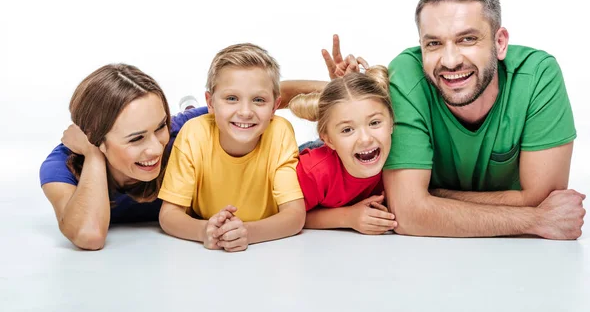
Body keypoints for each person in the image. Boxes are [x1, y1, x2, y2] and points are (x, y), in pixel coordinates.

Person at [39, 59, 337, 250]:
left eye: (159, 128)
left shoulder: (185, 130)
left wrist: (344, 91)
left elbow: (258, 97)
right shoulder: (60, 169)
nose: (156, 148)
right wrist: (93, 156)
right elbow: (89, 235)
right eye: (135, 138)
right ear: (96, 138)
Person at [382, 0, 586, 239]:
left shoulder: (538, 75)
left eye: (467, 39)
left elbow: (545, 199)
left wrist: (432, 198)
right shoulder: (407, 74)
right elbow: (408, 215)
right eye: (434, 43)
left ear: (500, 43)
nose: (451, 61)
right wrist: (535, 220)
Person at [157, 43, 306, 252]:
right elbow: (168, 215)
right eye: (232, 98)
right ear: (210, 102)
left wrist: (248, 232)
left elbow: (295, 215)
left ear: (275, 106)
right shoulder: (192, 134)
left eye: (258, 100)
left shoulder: (279, 133)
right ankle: (190, 106)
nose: (245, 112)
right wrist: (204, 230)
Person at [289, 67, 398, 235]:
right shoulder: (312, 172)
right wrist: (347, 217)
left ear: (392, 122)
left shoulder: (402, 157)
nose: (365, 139)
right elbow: (290, 216)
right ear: (329, 140)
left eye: (375, 123)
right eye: (347, 130)